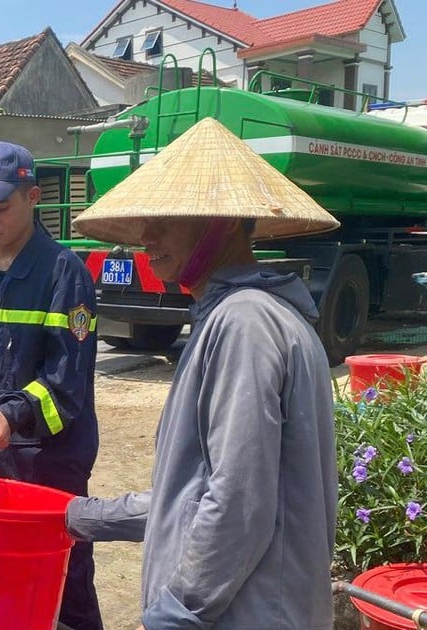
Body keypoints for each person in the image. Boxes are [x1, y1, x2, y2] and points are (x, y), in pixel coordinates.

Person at [66, 117, 340, 628]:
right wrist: (79, 518)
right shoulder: (245, 316)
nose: (146, 235)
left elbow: (238, 501)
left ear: (226, 222)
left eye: (168, 218)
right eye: (146, 220)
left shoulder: (244, 322)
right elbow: (191, 494)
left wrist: (175, 612)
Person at [0, 142, 103, 630]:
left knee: (64, 573)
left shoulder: (64, 274)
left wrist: (8, 417)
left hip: (50, 461)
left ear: (33, 196)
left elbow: (66, 384)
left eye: (0, 208)